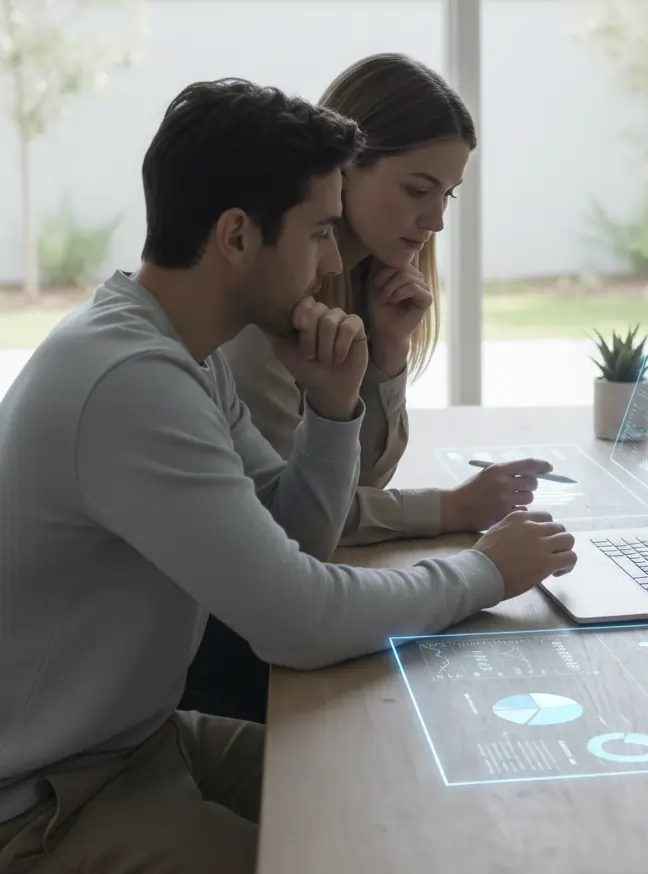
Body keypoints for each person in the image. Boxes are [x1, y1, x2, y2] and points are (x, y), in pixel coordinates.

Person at [0, 78, 576, 873]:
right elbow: (299, 621)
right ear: (237, 236)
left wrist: (334, 410)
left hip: (137, 745)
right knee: (360, 851)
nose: (334, 261)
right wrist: (483, 570)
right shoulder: (130, 380)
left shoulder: (184, 353)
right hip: (44, 805)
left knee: (409, 795)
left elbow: (296, 537)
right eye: (318, 232)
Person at [180, 53, 551, 724]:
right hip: (226, 658)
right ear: (341, 169)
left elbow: (352, 481)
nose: (436, 218)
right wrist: (450, 515)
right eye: (417, 189)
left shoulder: (357, 291)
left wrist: (386, 356)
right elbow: (287, 529)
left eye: (448, 194)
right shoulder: (264, 313)